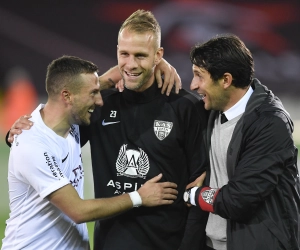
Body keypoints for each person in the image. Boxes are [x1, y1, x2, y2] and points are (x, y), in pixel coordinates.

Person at [6, 10, 209, 250]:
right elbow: (56, 122)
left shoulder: (186, 108)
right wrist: (21, 131)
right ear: (116, 52)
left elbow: (199, 189)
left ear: (158, 55)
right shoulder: (100, 105)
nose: (131, 64)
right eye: (124, 54)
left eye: (141, 55)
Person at [1, 55, 179, 250]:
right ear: (67, 96)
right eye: (94, 93)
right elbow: (78, 211)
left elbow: (111, 76)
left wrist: (157, 62)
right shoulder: (33, 144)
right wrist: (139, 197)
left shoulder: (71, 123)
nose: (100, 100)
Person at [184, 34, 300, 250]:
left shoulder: (270, 123)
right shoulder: (210, 109)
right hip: (211, 245)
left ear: (226, 80)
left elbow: (238, 200)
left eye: (199, 76)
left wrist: (192, 194)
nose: (193, 85)